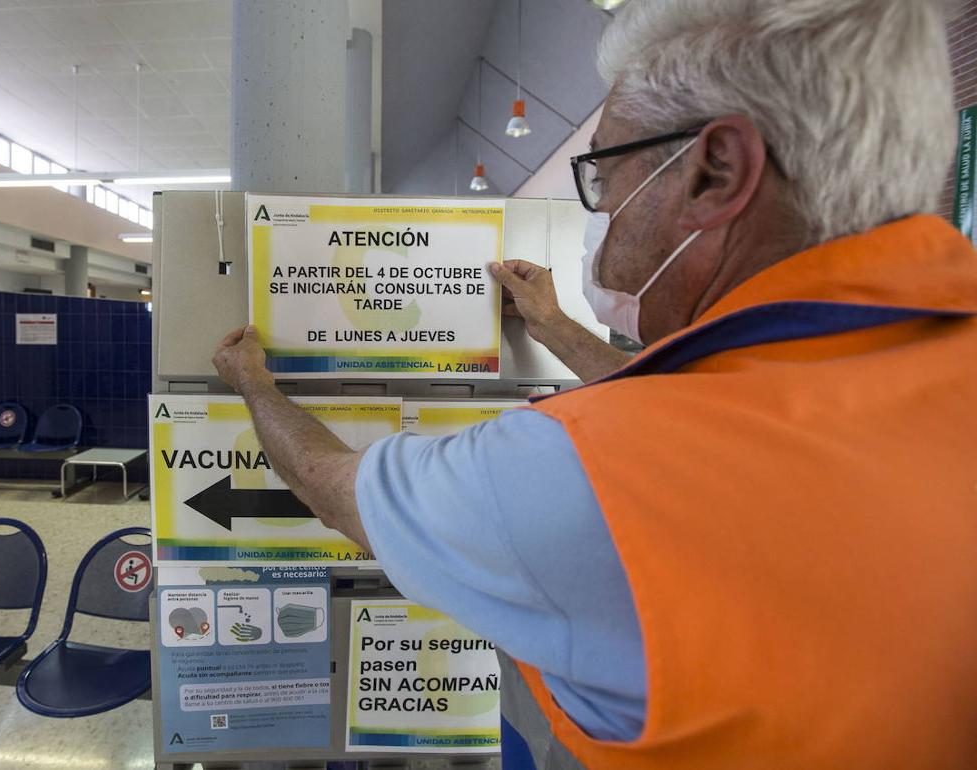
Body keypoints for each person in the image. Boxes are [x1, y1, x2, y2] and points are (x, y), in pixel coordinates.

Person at [211, 0, 977, 767]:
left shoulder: (577, 470)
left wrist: (253, 384)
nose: (600, 211)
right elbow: (715, 412)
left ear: (715, 172)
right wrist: (555, 328)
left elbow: (336, 490)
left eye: (603, 174)